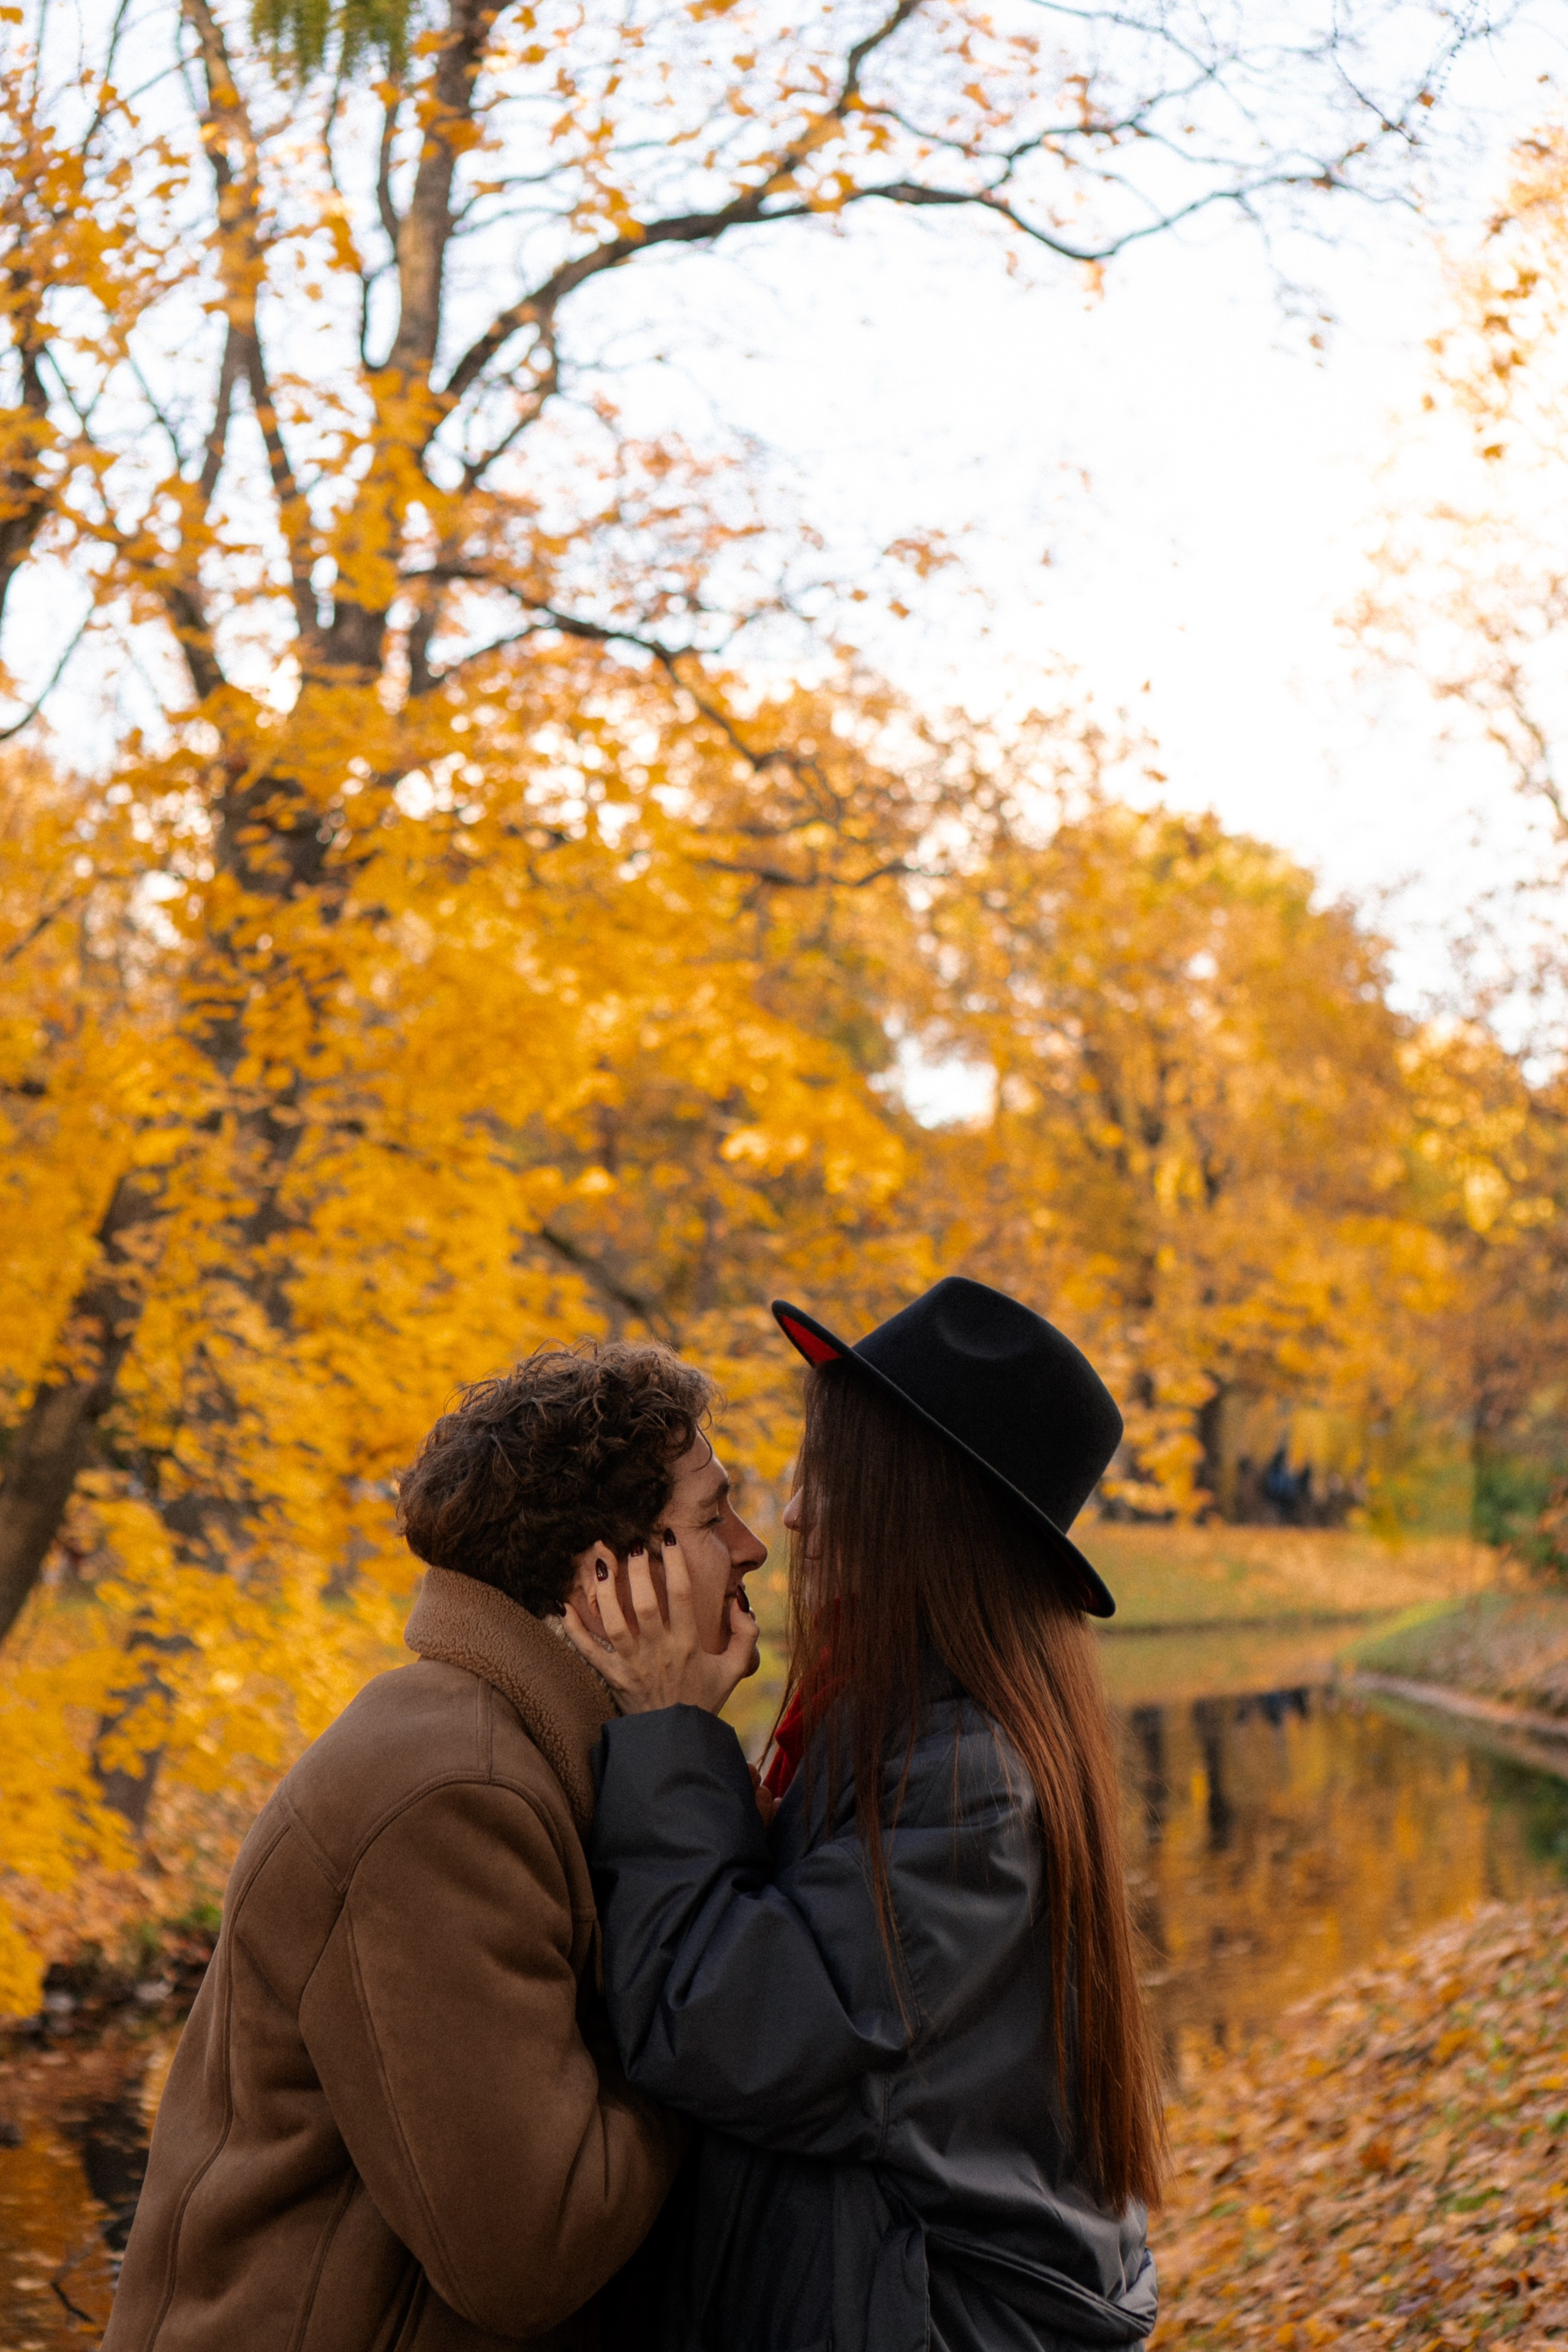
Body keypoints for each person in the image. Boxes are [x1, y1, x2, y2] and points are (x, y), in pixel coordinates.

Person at [105, 1342, 764, 2352]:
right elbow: (530, 2252)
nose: (753, 1548)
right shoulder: (454, 1794)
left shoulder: (539, 1756)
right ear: (609, 1576)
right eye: (714, 1516)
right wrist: (707, 2024)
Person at [567, 1276, 1165, 2352]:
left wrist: (671, 1732)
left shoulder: (967, 1778)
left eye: (833, 1477)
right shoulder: (895, 1720)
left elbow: (720, 2029)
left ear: (919, 1512)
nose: (793, 1513)